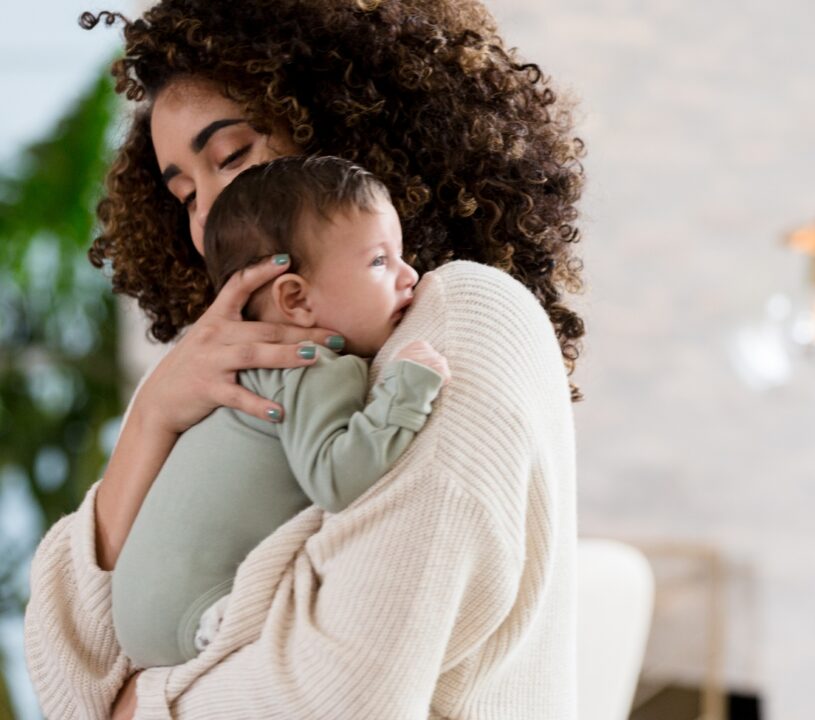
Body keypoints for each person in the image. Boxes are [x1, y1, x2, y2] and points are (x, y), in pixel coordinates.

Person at [24, 0, 585, 717]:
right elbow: (71, 684)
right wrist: (153, 418)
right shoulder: (227, 370)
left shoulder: (467, 317)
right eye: (186, 194)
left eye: (233, 156)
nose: (211, 214)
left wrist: (142, 707)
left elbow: (337, 696)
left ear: (344, 124)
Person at [112, 155, 451, 669]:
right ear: (295, 299)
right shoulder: (313, 364)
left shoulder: (226, 375)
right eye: (380, 261)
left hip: (139, 612)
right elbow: (337, 479)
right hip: (202, 608)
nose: (411, 275)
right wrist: (407, 390)